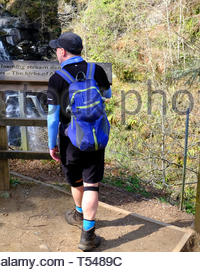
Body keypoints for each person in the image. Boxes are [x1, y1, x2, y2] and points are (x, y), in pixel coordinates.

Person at [47, 32, 112, 251]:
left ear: (62, 52)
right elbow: (108, 94)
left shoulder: (57, 78)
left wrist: (51, 144)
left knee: (76, 180)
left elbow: (52, 117)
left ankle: (79, 213)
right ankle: (88, 236)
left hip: (70, 139)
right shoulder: (97, 70)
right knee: (92, 184)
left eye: (57, 49)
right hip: (94, 136)